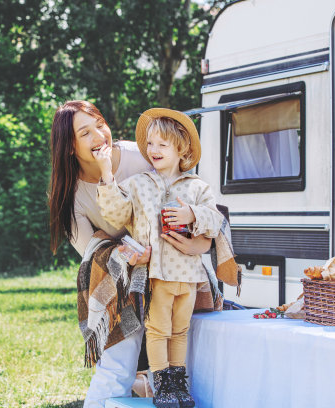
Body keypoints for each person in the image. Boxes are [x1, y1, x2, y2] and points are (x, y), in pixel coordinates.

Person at [47, 101, 213, 408]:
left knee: (186, 343)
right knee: (118, 360)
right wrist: (128, 255)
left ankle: (158, 385)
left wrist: (198, 245)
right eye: (85, 132)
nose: (100, 135)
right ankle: (125, 388)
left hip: (175, 261)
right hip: (123, 274)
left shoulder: (140, 157)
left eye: (100, 124)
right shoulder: (70, 196)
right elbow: (93, 252)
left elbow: (192, 196)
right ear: (69, 147)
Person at [93, 108, 223, 408]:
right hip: (157, 276)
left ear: (182, 149)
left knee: (180, 331)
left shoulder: (197, 187)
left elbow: (216, 223)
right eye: (150, 144)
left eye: (162, 145)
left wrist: (192, 214)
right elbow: (115, 212)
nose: (153, 150)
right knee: (158, 329)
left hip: (188, 276)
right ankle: (161, 384)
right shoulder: (138, 184)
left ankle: (178, 385)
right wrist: (106, 174)